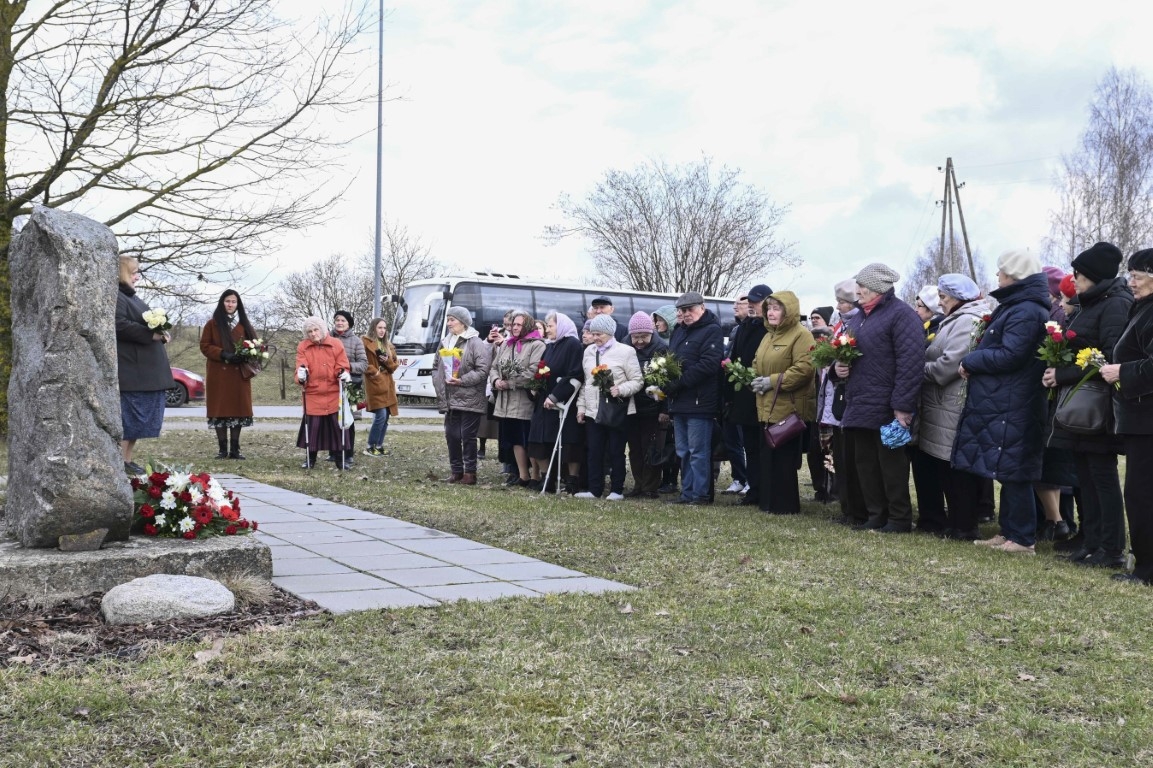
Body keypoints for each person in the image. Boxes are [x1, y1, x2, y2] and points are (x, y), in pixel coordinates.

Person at [954, 249, 1050, 554]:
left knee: (1015, 469)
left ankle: (1022, 538)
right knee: (1006, 467)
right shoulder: (1017, 306)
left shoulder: (1025, 310)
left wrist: (972, 359)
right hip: (1006, 399)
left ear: (1014, 275)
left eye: (1000, 271)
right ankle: (1009, 532)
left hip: (1016, 400)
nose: (997, 276)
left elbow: (1012, 354)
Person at [1042, 242, 1131, 568]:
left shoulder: (1116, 305)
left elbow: (1109, 355)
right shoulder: (1089, 303)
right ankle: (1091, 542)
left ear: (1093, 276)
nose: (1073, 279)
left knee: (1102, 478)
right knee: (1085, 476)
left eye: (1078, 274)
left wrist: (1062, 374)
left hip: (1099, 408)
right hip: (1080, 405)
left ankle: (1111, 549)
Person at [830, 263, 924, 533]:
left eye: (862, 287)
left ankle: (899, 518)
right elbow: (847, 353)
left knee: (890, 465)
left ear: (876, 289)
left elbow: (911, 363)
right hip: (859, 401)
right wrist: (839, 369)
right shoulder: (860, 317)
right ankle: (876, 514)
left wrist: (903, 406)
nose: (857, 291)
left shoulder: (902, 315)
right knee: (866, 463)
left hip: (887, 405)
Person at [915, 274, 990, 539]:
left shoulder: (968, 321)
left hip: (952, 403)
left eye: (944, 298)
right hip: (941, 404)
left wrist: (917, 369)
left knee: (956, 469)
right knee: (944, 468)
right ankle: (954, 522)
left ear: (958, 298)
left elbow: (948, 366)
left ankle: (964, 525)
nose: (941, 303)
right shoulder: (955, 319)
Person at [1100, 248, 1153, 585]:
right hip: (1140, 417)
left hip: (1148, 419)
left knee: (1141, 493)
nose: (1130, 281)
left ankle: (1147, 570)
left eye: (1137, 274)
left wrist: (1122, 370)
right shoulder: (1143, 307)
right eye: (1129, 274)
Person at [749, 291, 815, 514]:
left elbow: (804, 369)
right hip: (766, 404)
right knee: (767, 456)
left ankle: (784, 505)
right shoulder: (768, 335)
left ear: (789, 311)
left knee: (784, 458)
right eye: (769, 308)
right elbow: (758, 361)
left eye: (777, 308)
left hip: (789, 405)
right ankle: (768, 503)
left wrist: (772, 381)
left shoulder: (801, 335)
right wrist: (754, 378)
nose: (771, 312)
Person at [663, 291, 725, 505]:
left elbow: (709, 365)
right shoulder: (679, 331)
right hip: (679, 401)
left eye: (690, 309)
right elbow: (672, 360)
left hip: (700, 402)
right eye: (682, 310)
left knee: (698, 451)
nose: (686, 314)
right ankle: (687, 492)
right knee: (683, 451)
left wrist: (679, 382)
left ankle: (701, 494)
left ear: (702, 307)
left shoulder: (712, 330)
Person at [115, 255, 175, 474]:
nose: (137, 277)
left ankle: (127, 459)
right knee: (130, 421)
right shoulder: (118, 297)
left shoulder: (131, 297)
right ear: (123, 273)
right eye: (133, 272)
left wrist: (160, 331)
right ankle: (120, 461)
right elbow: (119, 324)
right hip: (134, 372)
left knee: (136, 426)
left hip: (145, 374)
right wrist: (151, 335)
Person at [575, 314, 643, 500]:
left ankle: (616, 489)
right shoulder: (589, 351)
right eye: (593, 333)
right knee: (594, 451)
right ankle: (594, 489)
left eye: (600, 334)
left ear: (610, 333)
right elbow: (586, 383)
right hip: (592, 410)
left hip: (617, 410)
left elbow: (638, 381)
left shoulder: (626, 351)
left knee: (615, 451)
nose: (596, 338)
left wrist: (620, 389)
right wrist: (581, 408)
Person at [821, 279, 868, 524]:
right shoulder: (840, 327)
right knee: (840, 457)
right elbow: (830, 359)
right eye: (838, 301)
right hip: (837, 399)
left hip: (853, 400)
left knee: (853, 459)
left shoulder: (860, 325)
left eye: (844, 302)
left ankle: (858, 510)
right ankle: (847, 508)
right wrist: (833, 369)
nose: (839, 306)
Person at [432, 306, 492, 485]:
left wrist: (462, 380)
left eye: (452, 320)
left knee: (467, 436)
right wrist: (439, 383)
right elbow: (436, 366)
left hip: (469, 397)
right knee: (451, 435)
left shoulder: (475, 342)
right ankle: (456, 471)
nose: (449, 323)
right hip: (450, 398)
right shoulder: (444, 342)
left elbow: (483, 370)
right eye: (448, 319)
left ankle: (470, 472)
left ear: (463, 322)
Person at [725, 283, 771, 506]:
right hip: (744, 395)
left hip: (764, 393)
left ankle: (766, 490)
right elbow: (735, 356)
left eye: (756, 301)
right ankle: (754, 490)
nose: (752, 306)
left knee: (764, 446)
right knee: (751, 446)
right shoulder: (744, 326)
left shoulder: (770, 328)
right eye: (750, 302)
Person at [527, 312, 584, 493]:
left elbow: (575, 374)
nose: (548, 329)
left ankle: (572, 481)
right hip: (544, 400)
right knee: (538, 439)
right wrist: (535, 386)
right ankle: (547, 478)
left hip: (564, 402)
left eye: (550, 326)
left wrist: (555, 396)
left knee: (569, 443)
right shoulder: (550, 346)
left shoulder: (573, 345)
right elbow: (543, 369)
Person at [199, 289, 256, 460]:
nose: (230, 305)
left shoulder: (244, 324)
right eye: (227, 301)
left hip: (239, 374)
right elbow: (205, 346)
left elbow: (256, 344)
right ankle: (222, 449)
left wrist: (246, 354)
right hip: (219, 373)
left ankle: (235, 450)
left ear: (238, 305)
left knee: (237, 410)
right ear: (222, 302)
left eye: (233, 302)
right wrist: (223, 354)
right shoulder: (212, 323)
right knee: (220, 410)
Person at [490, 310, 546, 486]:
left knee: (527, 440)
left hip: (524, 401)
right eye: (513, 324)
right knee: (514, 439)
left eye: (519, 324)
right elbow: (494, 367)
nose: (515, 327)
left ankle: (536, 475)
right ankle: (523, 476)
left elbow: (532, 371)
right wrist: (496, 380)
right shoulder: (507, 344)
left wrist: (511, 383)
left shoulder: (537, 345)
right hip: (505, 402)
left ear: (527, 325)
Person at [295, 316, 352, 470]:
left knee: (337, 428)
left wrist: (343, 373)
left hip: (333, 393)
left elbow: (342, 364)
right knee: (312, 429)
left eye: (315, 330)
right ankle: (310, 459)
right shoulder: (303, 346)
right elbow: (301, 364)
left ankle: (340, 460)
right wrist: (301, 374)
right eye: (309, 331)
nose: (313, 334)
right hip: (313, 394)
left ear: (322, 329)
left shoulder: (336, 344)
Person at [624, 311, 668, 498]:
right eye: (636, 337)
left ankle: (650, 487)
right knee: (635, 448)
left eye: (644, 336)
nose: (640, 341)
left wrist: (664, 409)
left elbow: (667, 381)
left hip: (653, 406)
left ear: (651, 334)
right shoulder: (625, 347)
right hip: (632, 406)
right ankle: (638, 484)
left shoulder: (661, 349)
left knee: (651, 447)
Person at [329, 310, 366, 467]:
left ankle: (348, 453)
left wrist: (346, 367)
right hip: (331, 385)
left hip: (351, 385)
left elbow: (364, 364)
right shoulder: (327, 338)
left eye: (343, 320)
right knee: (332, 419)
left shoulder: (356, 341)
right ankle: (333, 452)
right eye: (337, 320)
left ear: (349, 323)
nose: (339, 322)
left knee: (348, 420)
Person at [361, 316, 400, 457]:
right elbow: (362, 362)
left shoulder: (388, 345)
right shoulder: (365, 343)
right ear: (373, 328)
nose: (382, 330)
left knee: (386, 417)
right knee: (381, 416)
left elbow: (394, 366)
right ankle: (370, 446)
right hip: (375, 384)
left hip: (388, 385)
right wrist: (375, 372)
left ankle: (379, 445)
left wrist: (387, 360)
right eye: (379, 327)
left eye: (384, 328)